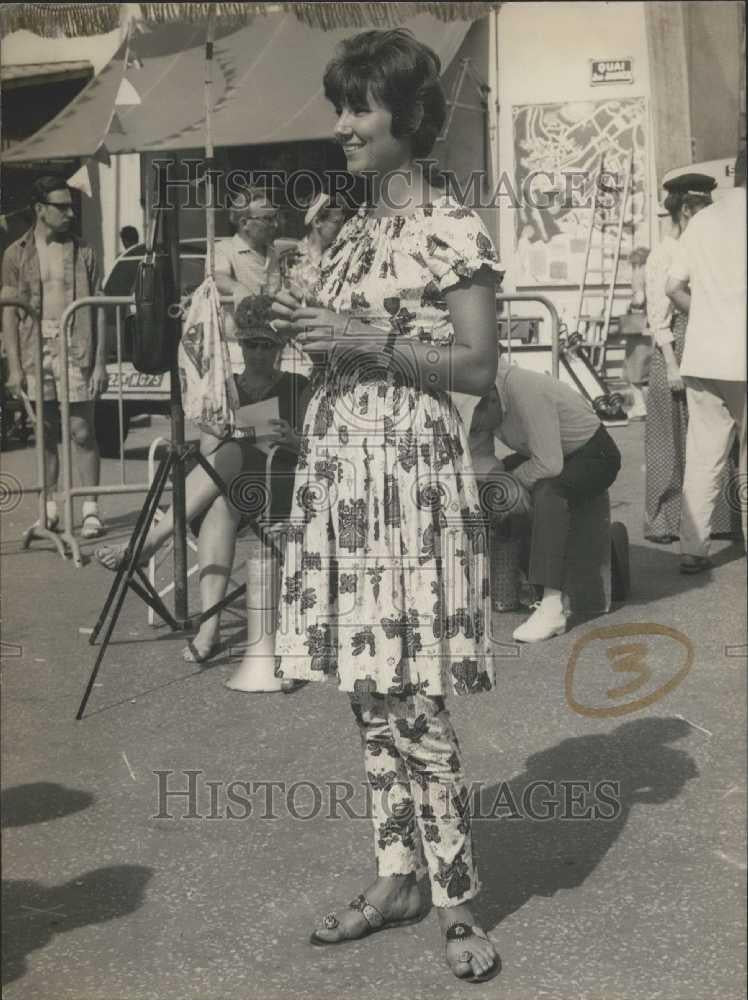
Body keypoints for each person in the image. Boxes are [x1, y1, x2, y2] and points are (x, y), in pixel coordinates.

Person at [271, 29, 502, 984]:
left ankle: (457, 899)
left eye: (359, 108)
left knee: (414, 690)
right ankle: (396, 872)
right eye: (340, 107)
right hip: (342, 472)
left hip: (407, 476)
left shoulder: (454, 223)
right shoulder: (346, 226)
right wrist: (296, 326)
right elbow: (327, 346)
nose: (342, 127)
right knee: (368, 687)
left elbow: (481, 368)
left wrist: (368, 341)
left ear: (408, 117)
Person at [95, 296, 309, 669]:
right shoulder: (226, 387)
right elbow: (209, 449)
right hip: (231, 488)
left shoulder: (296, 385)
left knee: (231, 455)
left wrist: (271, 434)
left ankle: (151, 541)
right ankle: (208, 629)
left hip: (279, 484)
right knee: (219, 502)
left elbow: (302, 443)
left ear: (280, 347)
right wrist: (222, 427)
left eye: (267, 345)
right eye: (251, 344)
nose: (258, 352)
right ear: (240, 345)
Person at [469, 360, 621, 642]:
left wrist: (515, 482)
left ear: (490, 399)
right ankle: (525, 578)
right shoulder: (482, 401)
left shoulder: (524, 389)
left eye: (477, 424)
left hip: (593, 454)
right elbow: (480, 459)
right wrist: (501, 482)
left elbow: (549, 465)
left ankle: (552, 607)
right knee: (495, 486)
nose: (477, 430)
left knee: (549, 493)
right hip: (550, 454)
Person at [1, 174, 108, 538]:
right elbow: (9, 313)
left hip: (76, 345)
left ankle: (91, 509)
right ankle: (48, 512)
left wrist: (100, 362)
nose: (70, 214)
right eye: (61, 207)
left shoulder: (84, 251)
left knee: (81, 430)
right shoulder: (16, 253)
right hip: (35, 348)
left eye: (71, 206)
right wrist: (14, 367)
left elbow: (100, 308)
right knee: (43, 432)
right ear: (39, 210)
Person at [666, 148, 747, 572]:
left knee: (703, 454)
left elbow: (672, 287)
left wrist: (707, 313)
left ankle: (693, 549)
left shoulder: (702, 221)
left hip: (703, 354)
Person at [643, 173, 724, 543]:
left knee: (706, 439)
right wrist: (672, 364)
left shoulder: (700, 248)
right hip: (672, 351)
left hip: (705, 345)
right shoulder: (664, 254)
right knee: (669, 441)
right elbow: (658, 317)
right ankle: (662, 519)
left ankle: (715, 520)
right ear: (687, 210)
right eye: (701, 209)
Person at [214, 187, 282, 336]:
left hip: (271, 341)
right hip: (235, 344)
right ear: (244, 223)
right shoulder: (223, 249)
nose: (275, 225)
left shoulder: (273, 253)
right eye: (268, 219)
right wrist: (237, 288)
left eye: (275, 218)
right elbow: (218, 277)